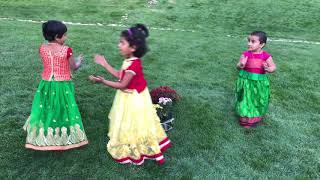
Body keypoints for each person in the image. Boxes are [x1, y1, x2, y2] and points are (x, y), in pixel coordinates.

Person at [89, 24, 171, 165]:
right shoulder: (129, 61)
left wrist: (102, 81)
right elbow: (120, 75)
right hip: (129, 95)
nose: (118, 45)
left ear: (133, 48)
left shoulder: (134, 65)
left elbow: (122, 84)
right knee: (129, 120)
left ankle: (137, 145)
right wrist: (104, 64)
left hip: (134, 98)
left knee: (133, 121)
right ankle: (132, 139)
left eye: (122, 43)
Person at [23, 20, 88, 150]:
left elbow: (49, 62)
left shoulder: (42, 48)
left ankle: (45, 129)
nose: (66, 37)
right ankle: (62, 134)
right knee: (63, 105)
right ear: (57, 37)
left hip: (46, 82)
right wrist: (79, 61)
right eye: (64, 35)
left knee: (47, 105)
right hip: (62, 83)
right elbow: (73, 67)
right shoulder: (66, 50)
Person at [235, 31, 276, 128]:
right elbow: (238, 66)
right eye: (248, 41)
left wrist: (269, 69)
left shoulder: (266, 56)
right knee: (245, 99)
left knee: (256, 100)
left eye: (253, 41)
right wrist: (241, 65)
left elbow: (273, 67)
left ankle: (254, 118)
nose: (249, 43)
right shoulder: (245, 54)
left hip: (259, 83)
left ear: (261, 44)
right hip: (245, 82)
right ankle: (244, 118)